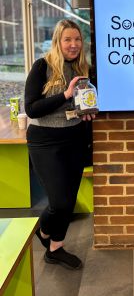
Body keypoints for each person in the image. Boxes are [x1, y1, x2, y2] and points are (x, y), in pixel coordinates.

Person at [25, 19, 95, 270]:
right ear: (58, 41)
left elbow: (85, 103)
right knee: (59, 202)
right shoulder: (41, 66)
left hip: (74, 139)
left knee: (69, 198)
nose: (74, 44)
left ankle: (55, 247)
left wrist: (88, 112)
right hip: (45, 141)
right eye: (68, 39)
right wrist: (65, 94)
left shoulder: (83, 68)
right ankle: (43, 230)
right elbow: (31, 107)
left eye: (77, 39)